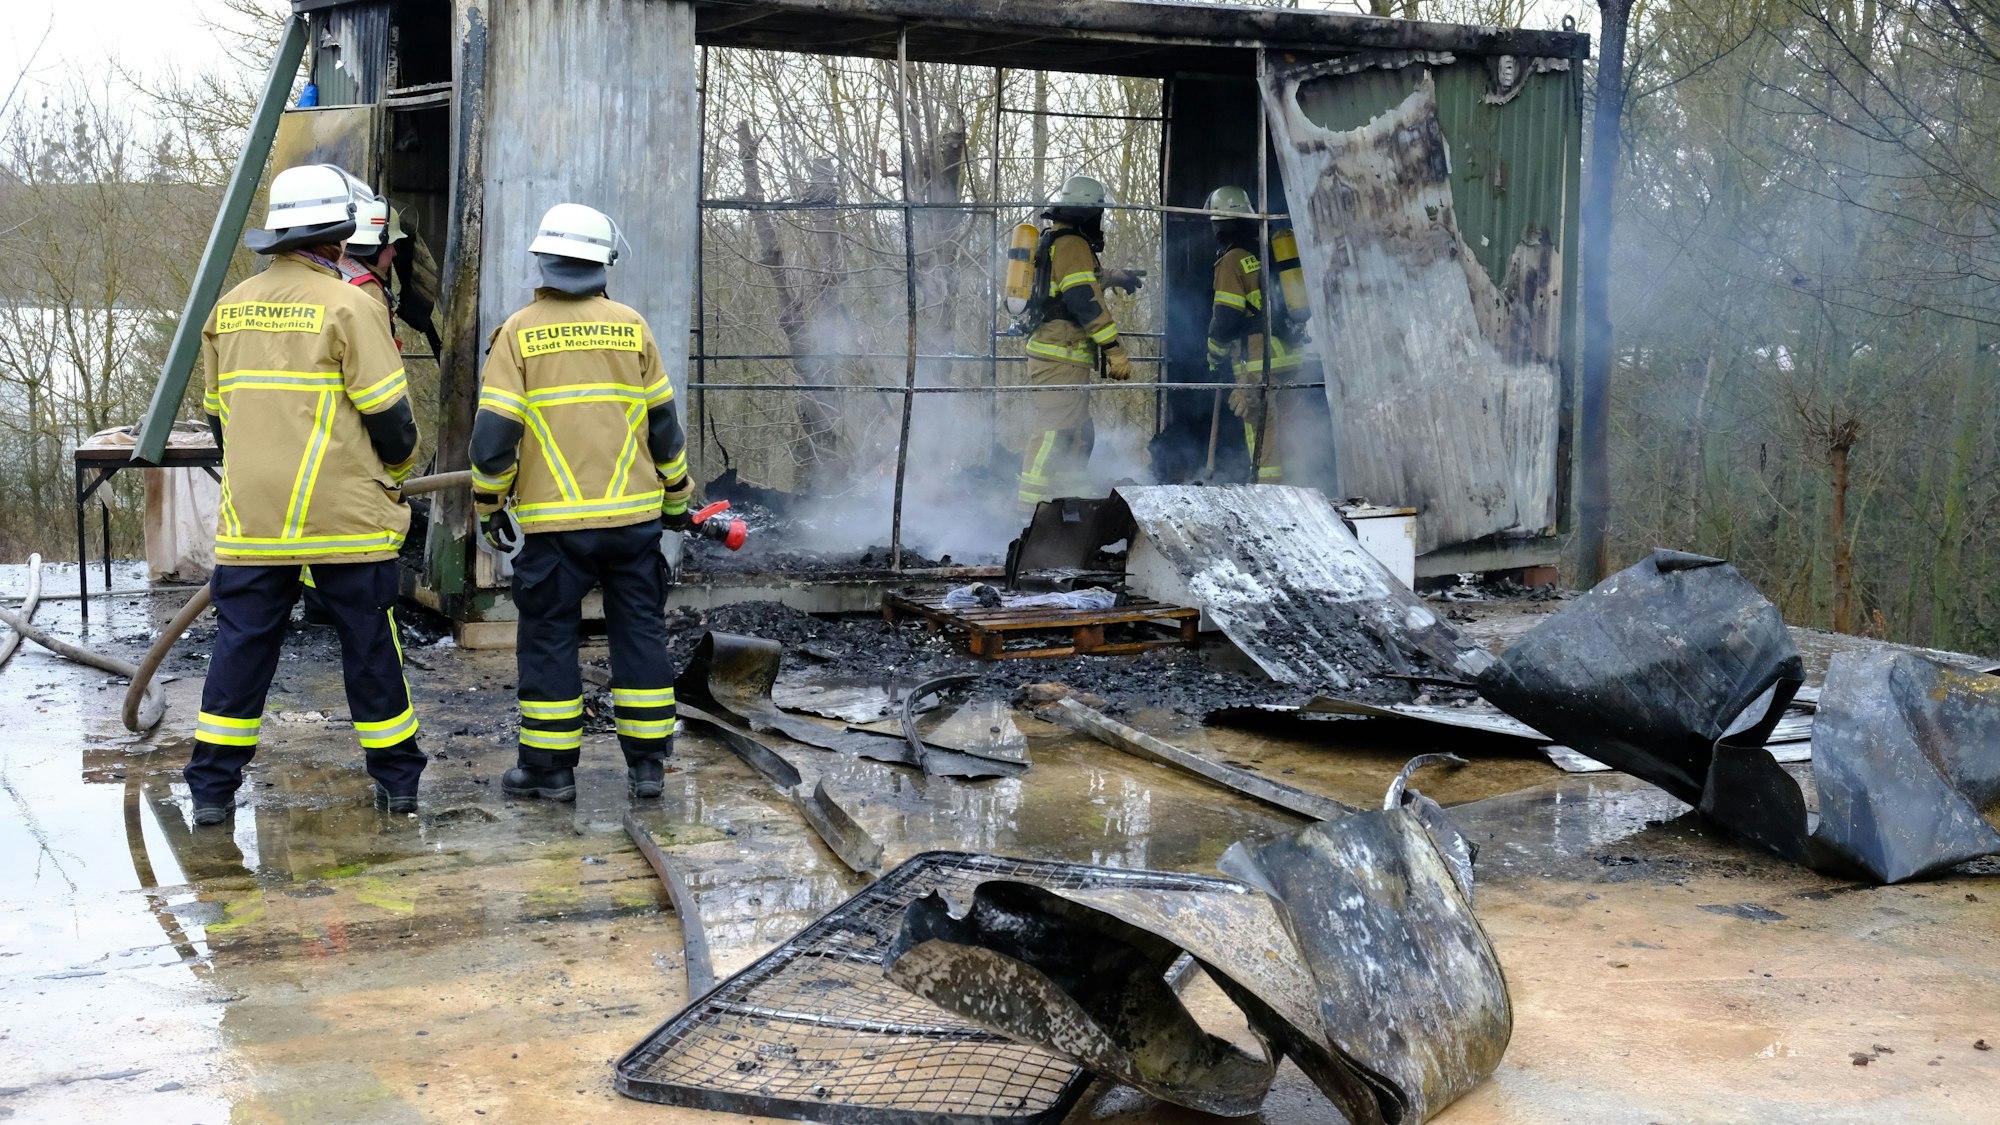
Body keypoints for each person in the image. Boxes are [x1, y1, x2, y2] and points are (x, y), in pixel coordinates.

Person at [188, 163, 426, 824]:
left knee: (241, 647)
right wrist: (400, 469)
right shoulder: (352, 305)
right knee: (369, 644)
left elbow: (218, 422)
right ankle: (398, 781)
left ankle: (211, 790)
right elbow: (391, 423)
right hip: (344, 519)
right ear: (339, 236)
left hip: (253, 520)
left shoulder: (228, 309)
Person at [468, 203, 691, 802]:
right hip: (633, 521)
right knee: (640, 632)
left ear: (543, 260)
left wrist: (489, 506)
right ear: (604, 262)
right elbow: (664, 426)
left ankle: (549, 770)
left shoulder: (518, 333)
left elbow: (494, 437)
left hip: (554, 527)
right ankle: (647, 767)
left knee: (548, 638)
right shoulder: (632, 327)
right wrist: (677, 497)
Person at [1017, 174, 1142, 511]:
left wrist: (1115, 276)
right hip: (1062, 353)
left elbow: (1080, 277)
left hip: (1062, 352)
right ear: (1089, 212)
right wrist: (1113, 349)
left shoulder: (1059, 239)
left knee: (1077, 429)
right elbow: (1083, 298)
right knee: (1054, 427)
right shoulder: (1072, 243)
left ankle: (1072, 493)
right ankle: (1029, 508)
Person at [1203, 185, 1333, 488]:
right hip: (1290, 358)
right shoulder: (1269, 251)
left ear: (1218, 223)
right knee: (1291, 433)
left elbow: (1225, 317)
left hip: (1258, 362)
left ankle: (1270, 500)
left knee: (1264, 441)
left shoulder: (1232, 260)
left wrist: (1213, 356)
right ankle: (1302, 493)